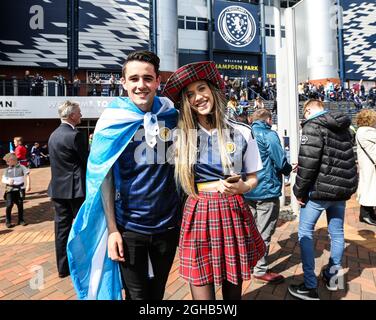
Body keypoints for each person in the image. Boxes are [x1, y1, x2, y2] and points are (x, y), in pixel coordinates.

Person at [67, 50, 180, 300]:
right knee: (136, 295)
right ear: (124, 82)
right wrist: (112, 230)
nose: (141, 85)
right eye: (134, 78)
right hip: (129, 227)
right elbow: (103, 175)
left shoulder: (172, 114)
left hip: (167, 224)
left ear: (158, 81)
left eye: (148, 78)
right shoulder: (112, 119)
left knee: (157, 292)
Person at [162, 61, 266, 300]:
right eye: (190, 94)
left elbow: (253, 177)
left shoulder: (242, 131)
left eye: (201, 89)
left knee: (233, 294)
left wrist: (243, 187)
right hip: (197, 212)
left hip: (232, 210)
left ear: (212, 90)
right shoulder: (179, 136)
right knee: (202, 293)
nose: (198, 97)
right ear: (185, 102)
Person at [288, 99, 357, 300]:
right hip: (341, 190)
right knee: (337, 233)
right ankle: (334, 279)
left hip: (319, 191)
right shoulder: (343, 125)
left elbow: (308, 164)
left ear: (309, 110)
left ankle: (310, 285)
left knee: (305, 232)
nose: (304, 117)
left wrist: (298, 192)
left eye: (305, 113)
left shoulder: (313, 125)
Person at [244, 109, 292, 284]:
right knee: (264, 231)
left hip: (248, 189)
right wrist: (288, 169)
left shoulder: (244, 133)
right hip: (266, 188)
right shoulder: (269, 134)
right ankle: (260, 269)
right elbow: (280, 161)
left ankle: (251, 263)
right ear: (269, 120)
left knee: (251, 230)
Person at [48, 101, 88, 278]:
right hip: (76, 189)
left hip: (57, 189)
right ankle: (82, 265)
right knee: (81, 228)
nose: (81, 115)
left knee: (61, 230)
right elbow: (86, 161)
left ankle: (62, 268)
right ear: (72, 115)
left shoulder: (53, 135)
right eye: (79, 112)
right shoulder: (75, 135)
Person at [355, 109, 376, 226]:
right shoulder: (366, 131)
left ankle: (369, 213)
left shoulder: (365, 131)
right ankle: (365, 215)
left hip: (369, 164)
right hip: (369, 165)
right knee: (369, 188)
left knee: (370, 187)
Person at [2, 153, 31, 228]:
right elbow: (3, 179)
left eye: (8, 161)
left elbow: (27, 175)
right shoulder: (7, 169)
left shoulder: (22, 167)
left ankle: (21, 220)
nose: (7, 163)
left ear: (13, 160)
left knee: (20, 204)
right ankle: (8, 221)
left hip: (19, 189)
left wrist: (28, 185)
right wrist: (8, 181)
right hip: (10, 189)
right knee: (9, 205)